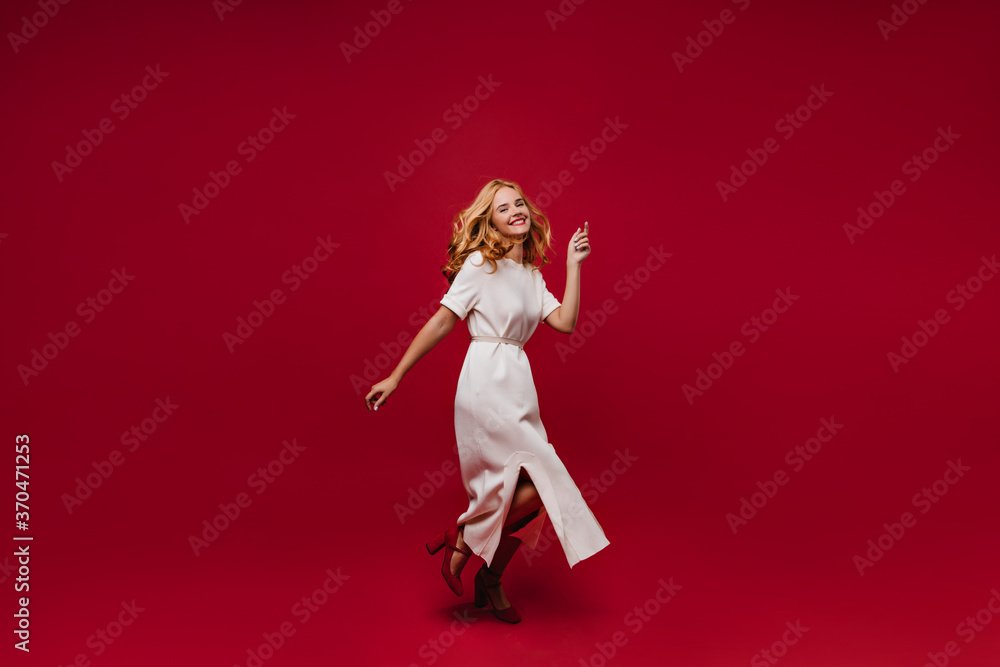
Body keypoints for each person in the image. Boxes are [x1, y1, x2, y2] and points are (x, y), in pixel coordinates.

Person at [364, 178, 609, 623]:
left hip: (519, 384)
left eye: (520, 204)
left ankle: (485, 571)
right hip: (485, 383)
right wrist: (396, 375)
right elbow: (442, 322)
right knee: (537, 486)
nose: (516, 210)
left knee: (535, 496)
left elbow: (566, 323)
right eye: (503, 208)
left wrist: (575, 265)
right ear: (490, 221)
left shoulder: (532, 276)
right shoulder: (481, 265)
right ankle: (465, 543)